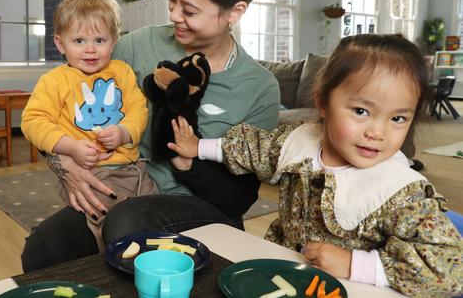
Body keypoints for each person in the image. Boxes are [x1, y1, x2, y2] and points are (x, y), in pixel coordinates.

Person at [20, 0, 280, 271]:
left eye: (189, 10)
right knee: (43, 247)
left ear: (235, 11)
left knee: (128, 224)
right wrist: (63, 163)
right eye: (172, 1)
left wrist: (188, 163)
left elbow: (239, 200)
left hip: (202, 208)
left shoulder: (259, 88)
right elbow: (59, 100)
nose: (174, 15)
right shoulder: (136, 47)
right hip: (127, 187)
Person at [168, 34, 463, 296]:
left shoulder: (402, 192)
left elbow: (447, 273)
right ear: (323, 103)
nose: (378, 133)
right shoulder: (299, 141)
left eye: (398, 118)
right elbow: (255, 148)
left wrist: (355, 264)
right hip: (283, 271)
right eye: (361, 111)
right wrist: (198, 147)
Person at [21, 0, 156, 251]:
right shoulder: (55, 81)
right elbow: (33, 121)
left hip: (136, 170)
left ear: (114, 41)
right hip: (93, 174)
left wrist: (124, 132)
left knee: (151, 221)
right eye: (79, 40)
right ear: (61, 44)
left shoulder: (122, 72)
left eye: (100, 39)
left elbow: (139, 109)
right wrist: (69, 147)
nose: (91, 49)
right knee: (109, 229)